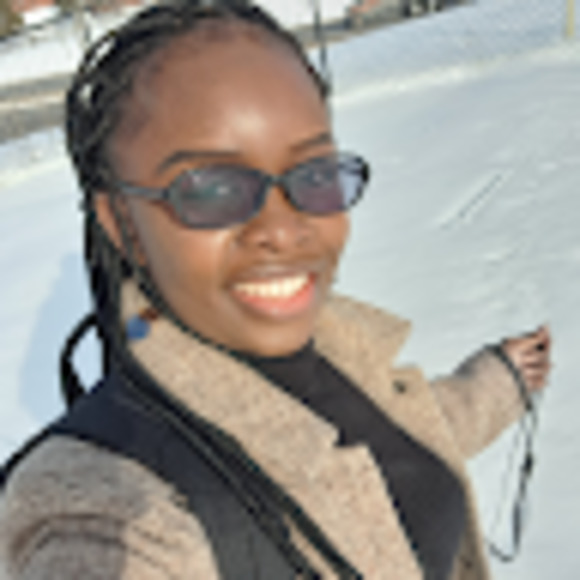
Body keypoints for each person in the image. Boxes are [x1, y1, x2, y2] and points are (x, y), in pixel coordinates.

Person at [0, 1, 551, 579]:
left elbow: (389, 441)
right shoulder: (107, 505)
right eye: (212, 190)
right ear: (120, 222)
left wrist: (498, 381)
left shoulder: (330, 344)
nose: (284, 229)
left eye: (314, 175)